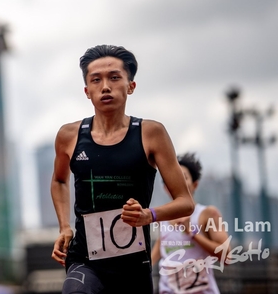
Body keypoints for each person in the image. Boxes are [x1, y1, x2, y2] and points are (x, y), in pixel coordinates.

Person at [51, 44, 195, 294]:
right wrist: (64, 226)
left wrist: (148, 215)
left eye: (114, 77)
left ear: (131, 86)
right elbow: (60, 180)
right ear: (87, 91)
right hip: (85, 260)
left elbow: (185, 202)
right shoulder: (69, 136)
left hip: (133, 266)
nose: (105, 86)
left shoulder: (151, 133)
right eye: (96, 80)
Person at [152, 152, 229, 294]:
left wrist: (192, 233)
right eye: (172, 178)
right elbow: (156, 254)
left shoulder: (207, 214)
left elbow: (227, 257)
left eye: (184, 177)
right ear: (165, 187)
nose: (178, 182)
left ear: (195, 184)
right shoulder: (162, 217)